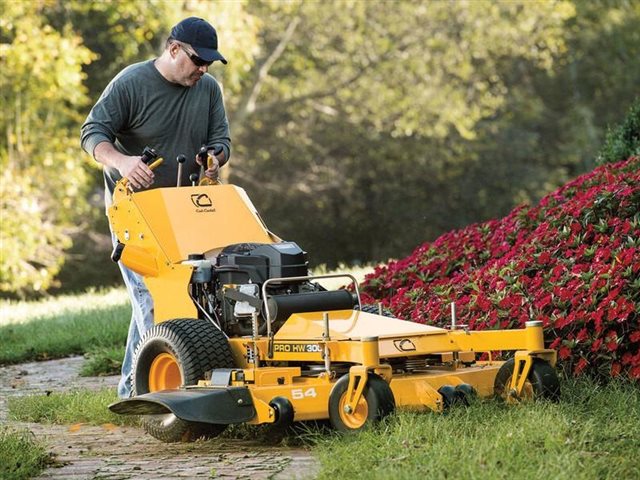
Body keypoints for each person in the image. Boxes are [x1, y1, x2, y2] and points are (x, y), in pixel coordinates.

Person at [80, 17, 231, 398]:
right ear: (174, 49)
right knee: (151, 299)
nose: (203, 69)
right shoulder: (132, 82)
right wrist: (123, 162)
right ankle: (136, 394)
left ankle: (184, 383)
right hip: (135, 212)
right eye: (198, 60)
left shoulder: (209, 89)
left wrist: (216, 157)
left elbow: (221, 140)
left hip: (188, 211)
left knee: (204, 293)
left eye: (209, 63)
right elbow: (92, 134)